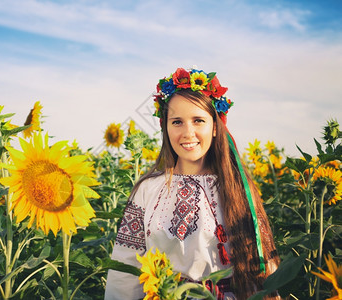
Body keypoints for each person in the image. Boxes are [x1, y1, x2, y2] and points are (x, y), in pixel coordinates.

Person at [104, 67, 280, 299]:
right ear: (165, 128)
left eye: (198, 120)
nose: (188, 132)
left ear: (215, 126)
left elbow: (263, 266)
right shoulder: (147, 189)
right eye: (177, 122)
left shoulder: (238, 188)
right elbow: (125, 268)